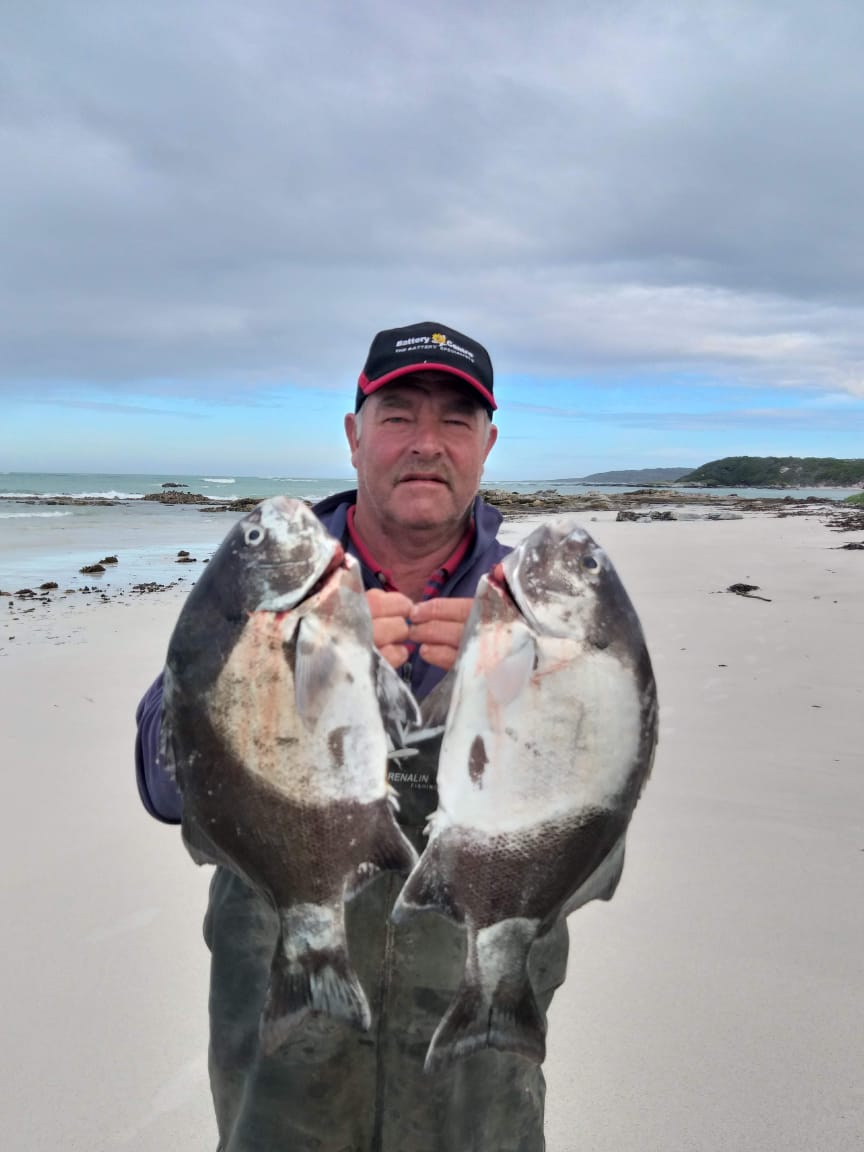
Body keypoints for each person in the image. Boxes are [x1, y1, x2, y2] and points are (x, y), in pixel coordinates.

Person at [135, 321, 570, 1152]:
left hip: (476, 1072)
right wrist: (262, 669)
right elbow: (160, 781)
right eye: (399, 414)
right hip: (283, 1068)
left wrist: (534, 691)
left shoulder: (547, 607)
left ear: (488, 444)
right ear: (354, 434)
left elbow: (595, 839)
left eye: (455, 420)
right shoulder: (262, 581)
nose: (426, 443)